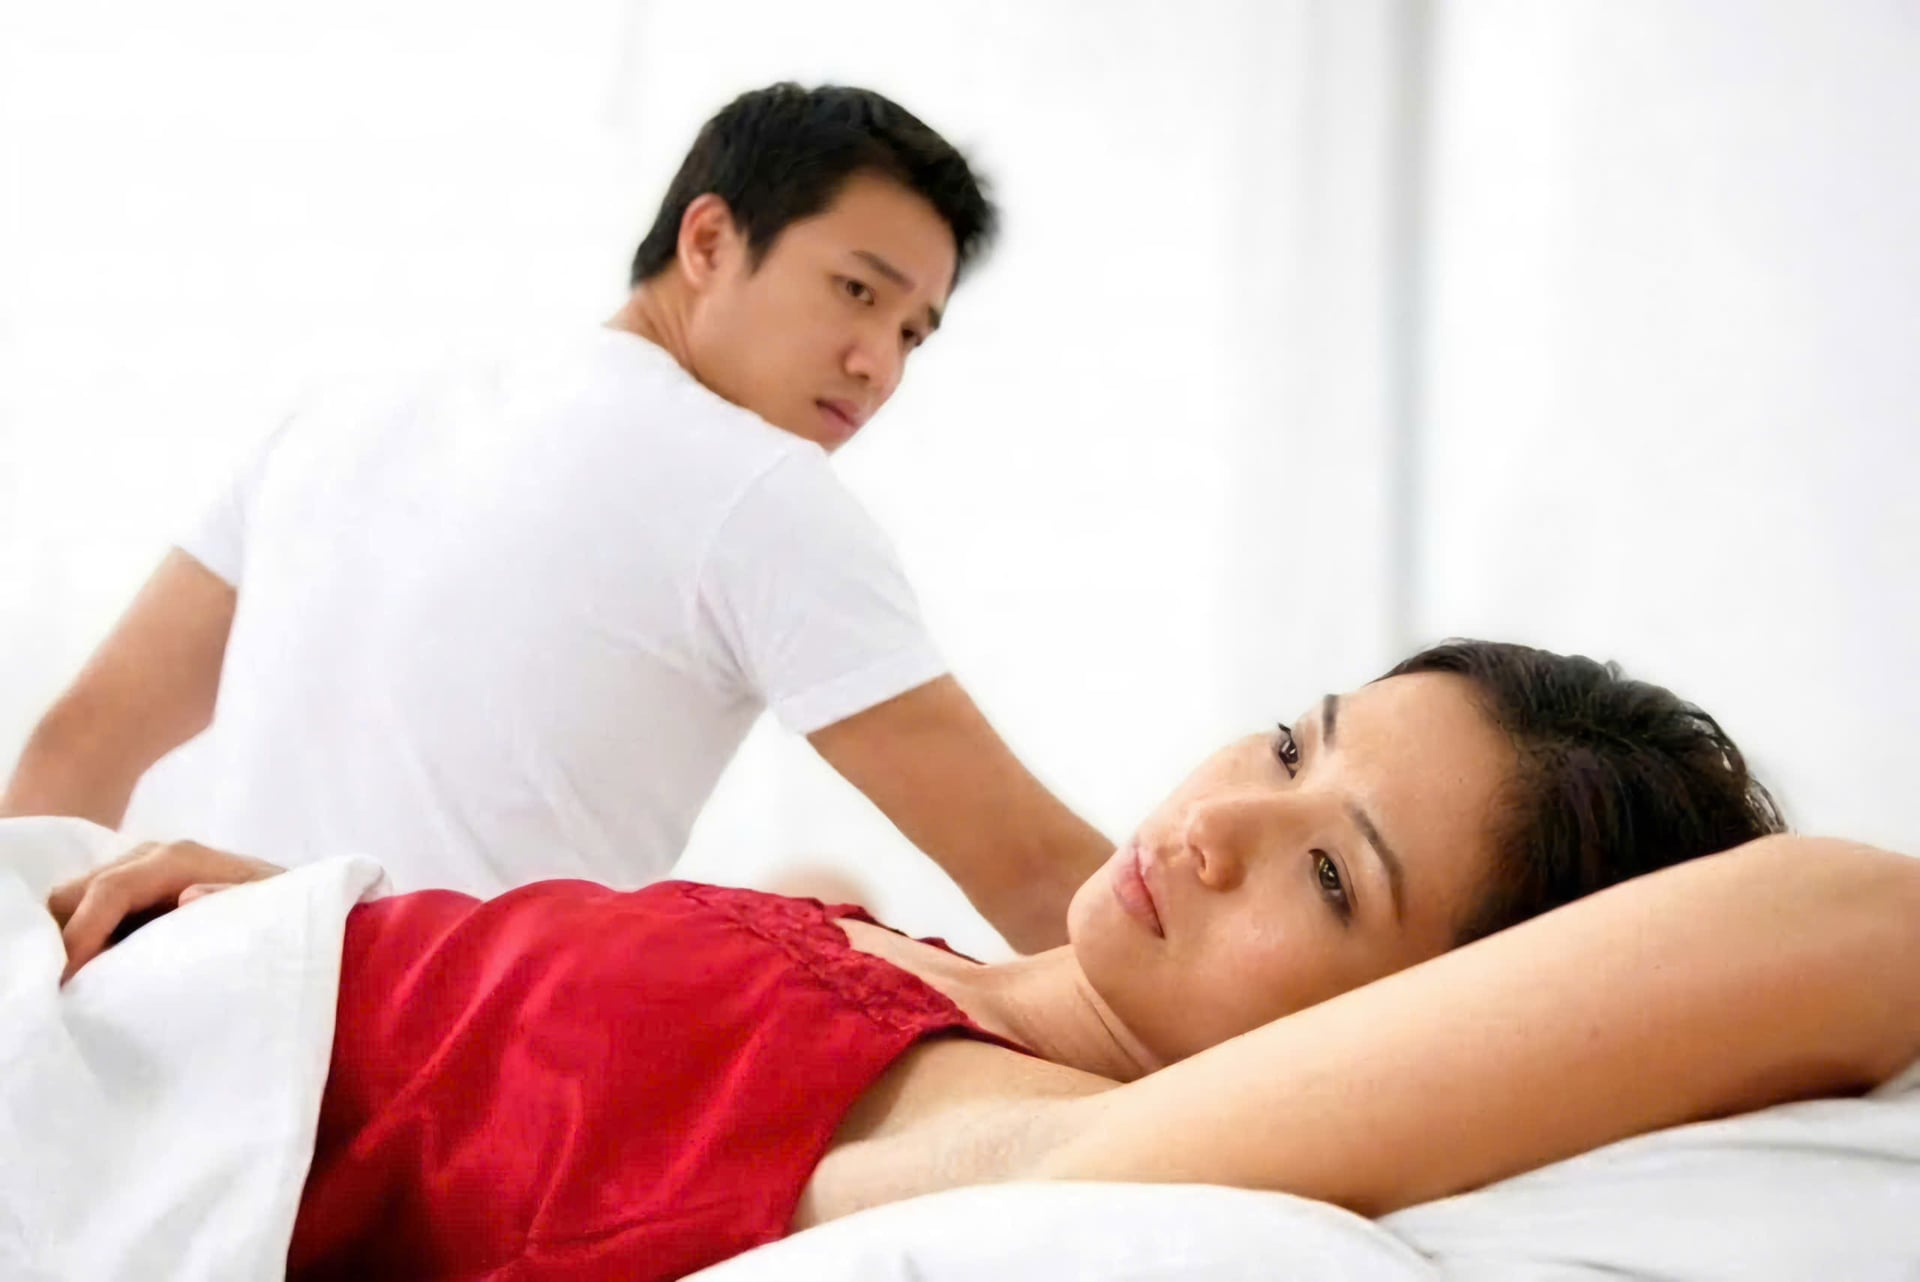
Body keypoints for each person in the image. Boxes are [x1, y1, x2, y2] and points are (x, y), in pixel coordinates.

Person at [47, 640, 1920, 1281]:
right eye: (1291, 740)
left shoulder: (1011, 1144)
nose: (1217, 818)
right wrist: (333, 925)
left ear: (1435, 1013)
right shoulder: (931, 975)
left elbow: (1856, 924)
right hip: (138, 970)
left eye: (1331, 875)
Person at [0, 83, 1110, 952]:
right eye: (857, 291)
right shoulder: (757, 489)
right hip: (421, 1079)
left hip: (207, 998)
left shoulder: (344, 413)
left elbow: (76, 748)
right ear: (709, 242)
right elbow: (1028, 872)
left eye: (914, 333)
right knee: (845, 930)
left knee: (814, 901)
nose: (878, 365)